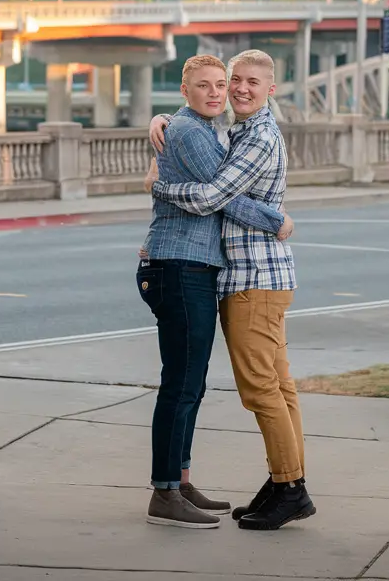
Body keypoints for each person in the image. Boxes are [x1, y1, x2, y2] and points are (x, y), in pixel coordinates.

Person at [146, 49, 316, 531]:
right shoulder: (234, 131)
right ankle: (285, 483)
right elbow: (195, 138)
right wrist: (166, 118)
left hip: (254, 277)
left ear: (271, 90)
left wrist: (158, 186)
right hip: (251, 276)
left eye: (248, 82)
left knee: (263, 390)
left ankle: (290, 488)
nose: (236, 89)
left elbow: (212, 197)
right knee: (277, 388)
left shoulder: (257, 136)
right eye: (231, 79)